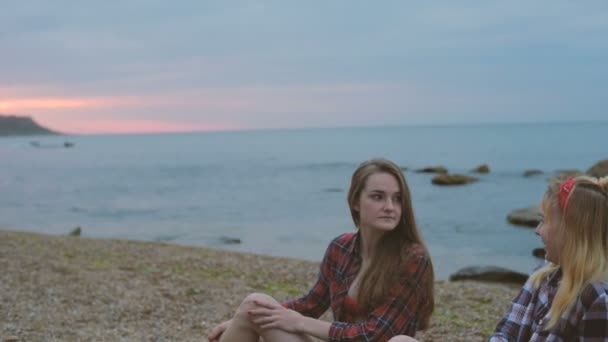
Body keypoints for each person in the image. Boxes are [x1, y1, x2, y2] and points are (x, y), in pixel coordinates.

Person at [208, 158, 434, 342]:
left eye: (397, 199)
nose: (389, 207)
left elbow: (376, 334)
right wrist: (245, 318)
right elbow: (311, 304)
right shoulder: (341, 248)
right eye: (378, 197)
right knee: (255, 304)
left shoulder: (412, 258)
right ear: (355, 201)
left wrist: (298, 322)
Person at [490, 176, 608, 341]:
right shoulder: (542, 274)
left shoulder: (596, 299)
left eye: (544, 220)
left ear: (570, 231)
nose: (537, 230)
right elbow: (506, 332)